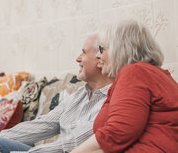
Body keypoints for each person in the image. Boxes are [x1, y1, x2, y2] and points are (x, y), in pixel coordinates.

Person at [0, 34, 114, 153]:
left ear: (100, 59)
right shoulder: (79, 94)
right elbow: (43, 124)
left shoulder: (112, 100)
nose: (77, 58)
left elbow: (69, 146)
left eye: (83, 52)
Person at [71, 20, 178, 153]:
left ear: (120, 49)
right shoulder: (151, 74)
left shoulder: (135, 72)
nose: (98, 55)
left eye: (102, 49)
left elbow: (117, 132)